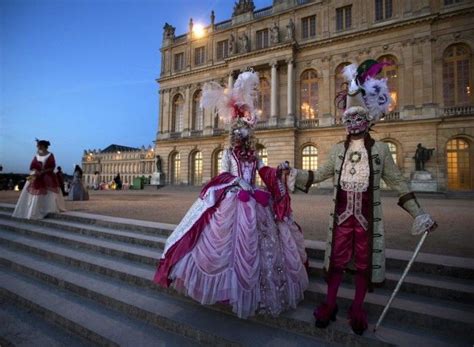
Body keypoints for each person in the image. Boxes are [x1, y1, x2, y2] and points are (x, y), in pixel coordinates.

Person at [288, 60, 437, 335]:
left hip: (367, 221)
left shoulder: (380, 149)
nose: (353, 123)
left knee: (363, 265)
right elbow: (318, 175)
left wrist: (420, 214)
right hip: (342, 220)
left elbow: (398, 181)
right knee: (335, 263)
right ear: (344, 120)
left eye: (358, 118)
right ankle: (330, 303)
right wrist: (292, 173)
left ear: (368, 119)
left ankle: (357, 308)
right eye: (349, 118)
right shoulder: (336, 151)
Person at [154, 71, 308, 319]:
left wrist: (277, 171)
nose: (241, 137)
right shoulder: (228, 155)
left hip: (253, 200)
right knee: (225, 243)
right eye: (238, 133)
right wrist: (238, 183)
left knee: (260, 245)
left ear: (249, 137)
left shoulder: (254, 156)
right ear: (234, 136)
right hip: (235, 198)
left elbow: (263, 171)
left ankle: (254, 289)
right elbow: (223, 175)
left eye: (244, 134)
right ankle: (229, 290)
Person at [12, 139, 66, 219]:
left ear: (43, 146)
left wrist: (43, 171)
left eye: (39, 145)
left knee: (48, 193)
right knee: (31, 190)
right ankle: (32, 209)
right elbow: (32, 165)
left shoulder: (50, 154)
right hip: (36, 174)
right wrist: (36, 171)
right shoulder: (37, 155)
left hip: (47, 175)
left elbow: (52, 166)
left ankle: (46, 208)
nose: (37, 147)